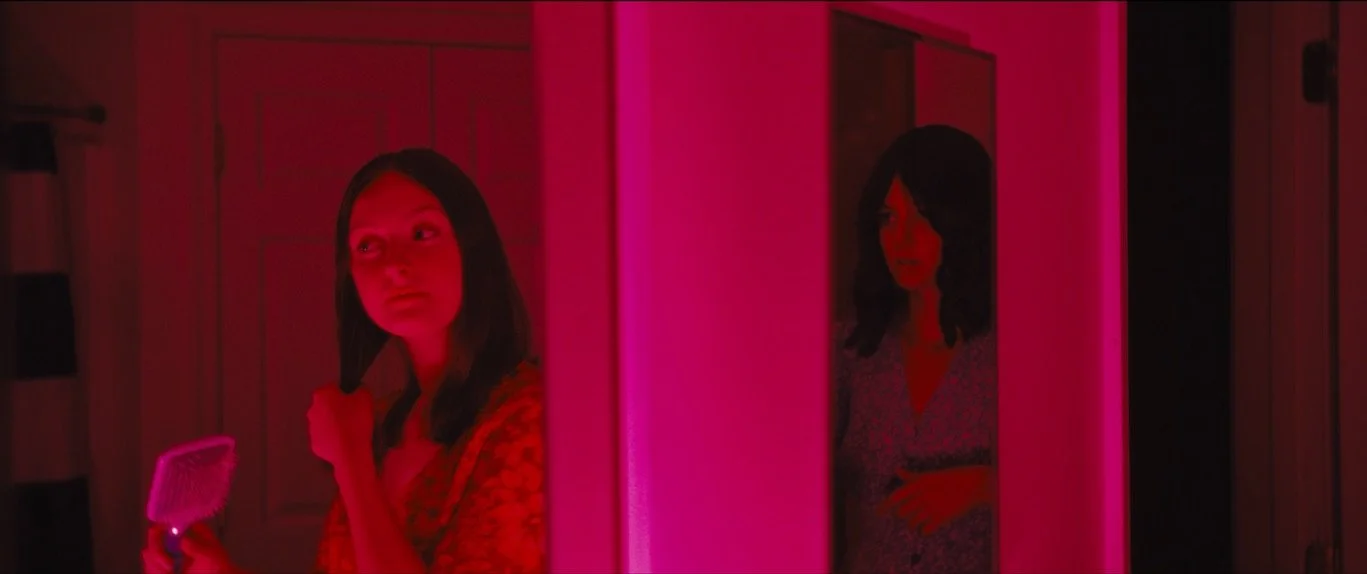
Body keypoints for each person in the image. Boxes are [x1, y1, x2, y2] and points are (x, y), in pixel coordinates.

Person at [142, 148, 546, 574]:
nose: (395, 266)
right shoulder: (383, 422)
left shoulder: (531, 417)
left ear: (472, 248)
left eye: (423, 233)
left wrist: (352, 462)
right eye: (368, 246)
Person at [833, 125, 997, 574]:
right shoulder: (852, 352)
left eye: (922, 216)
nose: (901, 239)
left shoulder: (1008, 354)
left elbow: (1074, 478)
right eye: (889, 217)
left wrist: (984, 487)